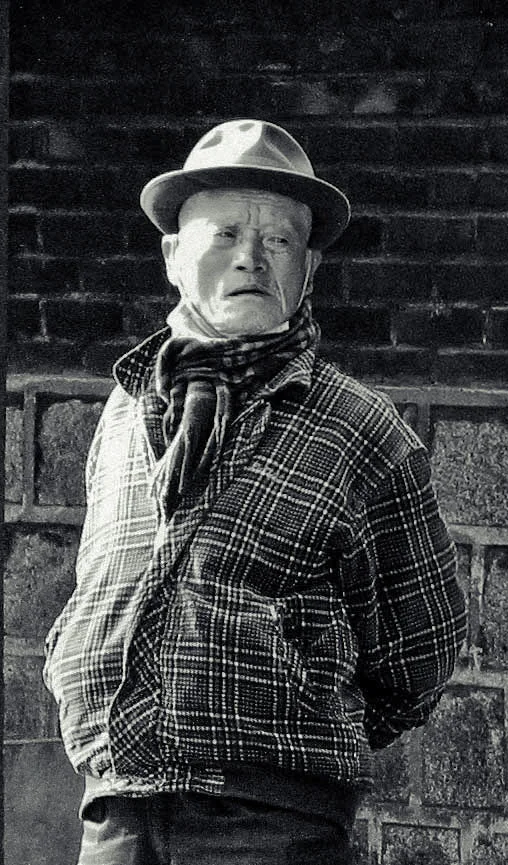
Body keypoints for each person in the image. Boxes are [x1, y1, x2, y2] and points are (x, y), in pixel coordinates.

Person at [43, 119, 468, 865]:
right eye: (227, 233)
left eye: (278, 241)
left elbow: (420, 653)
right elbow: (98, 578)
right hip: (117, 808)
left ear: (307, 269)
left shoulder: (361, 430)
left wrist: (294, 719)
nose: (251, 257)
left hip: (271, 824)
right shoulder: (124, 408)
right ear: (174, 256)